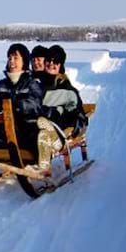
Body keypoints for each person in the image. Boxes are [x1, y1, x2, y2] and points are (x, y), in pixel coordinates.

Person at [33, 44, 88, 172]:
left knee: (45, 127)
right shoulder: (36, 82)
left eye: (56, 61)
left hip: (59, 126)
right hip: (37, 122)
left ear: (61, 65)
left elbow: (75, 108)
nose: (51, 64)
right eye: (48, 60)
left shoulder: (65, 87)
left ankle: (55, 144)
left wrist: (58, 112)